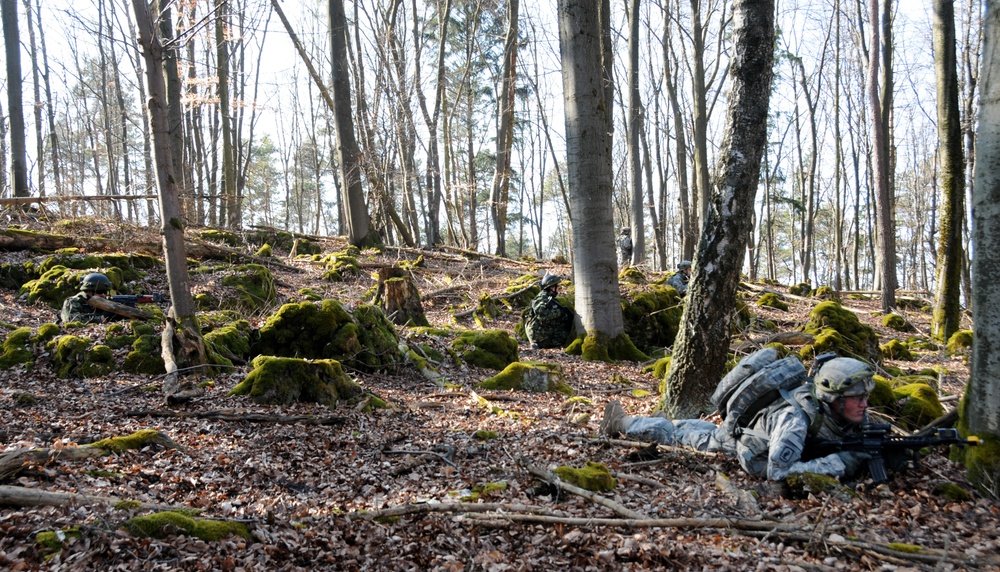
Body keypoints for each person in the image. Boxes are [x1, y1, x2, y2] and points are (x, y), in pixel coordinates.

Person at [599, 356, 875, 482]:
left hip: (744, 432)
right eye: (856, 397)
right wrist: (839, 464)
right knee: (682, 435)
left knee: (694, 429)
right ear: (833, 398)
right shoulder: (795, 420)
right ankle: (622, 424)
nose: (864, 403)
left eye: (864, 396)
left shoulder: (842, 411)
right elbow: (777, 473)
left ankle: (658, 423)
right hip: (737, 447)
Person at [525, 274, 574, 349]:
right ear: (551, 287)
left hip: (542, 331)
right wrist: (560, 312)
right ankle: (539, 344)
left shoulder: (548, 297)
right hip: (539, 334)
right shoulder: (542, 298)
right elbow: (542, 314)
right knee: (565, 337)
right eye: (556, 287)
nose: (558, 289)